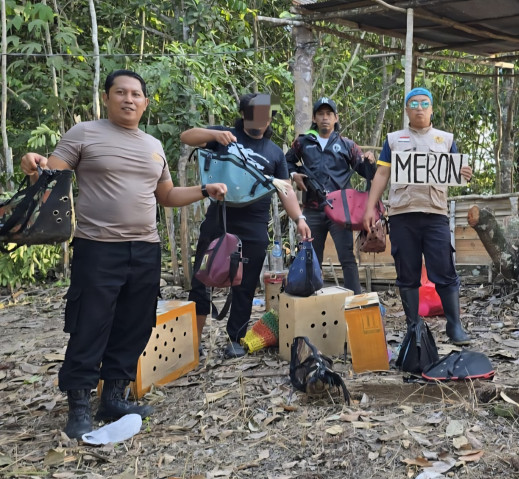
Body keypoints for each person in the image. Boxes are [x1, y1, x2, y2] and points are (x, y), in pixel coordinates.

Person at [19, 70, 228, 439]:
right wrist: (32, 165)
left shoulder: (153, 145)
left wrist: (203, 190)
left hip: (146, 248)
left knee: (135, 322)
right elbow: (51, 177)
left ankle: (113, 397)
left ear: (145, 103)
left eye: (136, 94)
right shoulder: (84, 133)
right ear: (107, 98)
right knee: (90, 323)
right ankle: (79, 404)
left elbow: (165, 196)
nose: (129, 99)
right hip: (97, 246)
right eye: (121, 93)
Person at [181, 93, 310, 359]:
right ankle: (193, 342)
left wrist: (299, 219)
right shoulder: (224, 135)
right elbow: (187, 136)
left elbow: (286, 191)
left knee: (245, 285)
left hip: (254, 225)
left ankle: (236, 338)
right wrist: (215, 136)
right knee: (201, 280)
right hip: (220, 218)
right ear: (243, 114)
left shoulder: (274, 152)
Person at [362, 87, 472, 345]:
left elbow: (457, 171)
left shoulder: (445, 139)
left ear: (432, 108)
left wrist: (466, 173)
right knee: (406, 272)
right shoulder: (394, 140)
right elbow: (381, 174)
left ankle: (454, 326)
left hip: (435, 214)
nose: (420, 108)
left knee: (444, 268)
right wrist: (370, 207)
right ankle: (414, 328)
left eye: (425, 103)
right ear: (406, 110)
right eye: (414, 103)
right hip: (402, 214)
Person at [286, 97, 375, 294]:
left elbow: (366, 172)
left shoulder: (347, 145)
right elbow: (286, 163)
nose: (325, 118)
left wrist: (369, 161)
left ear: (336, 118)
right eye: (321, 114)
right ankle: (311, 301)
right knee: (311, 257)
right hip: (312, 209)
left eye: (329, 114)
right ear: (314, 118)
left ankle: (355, 301)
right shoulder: (303, 142)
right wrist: (294, 175)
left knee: (347, 257)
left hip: (340, 212)